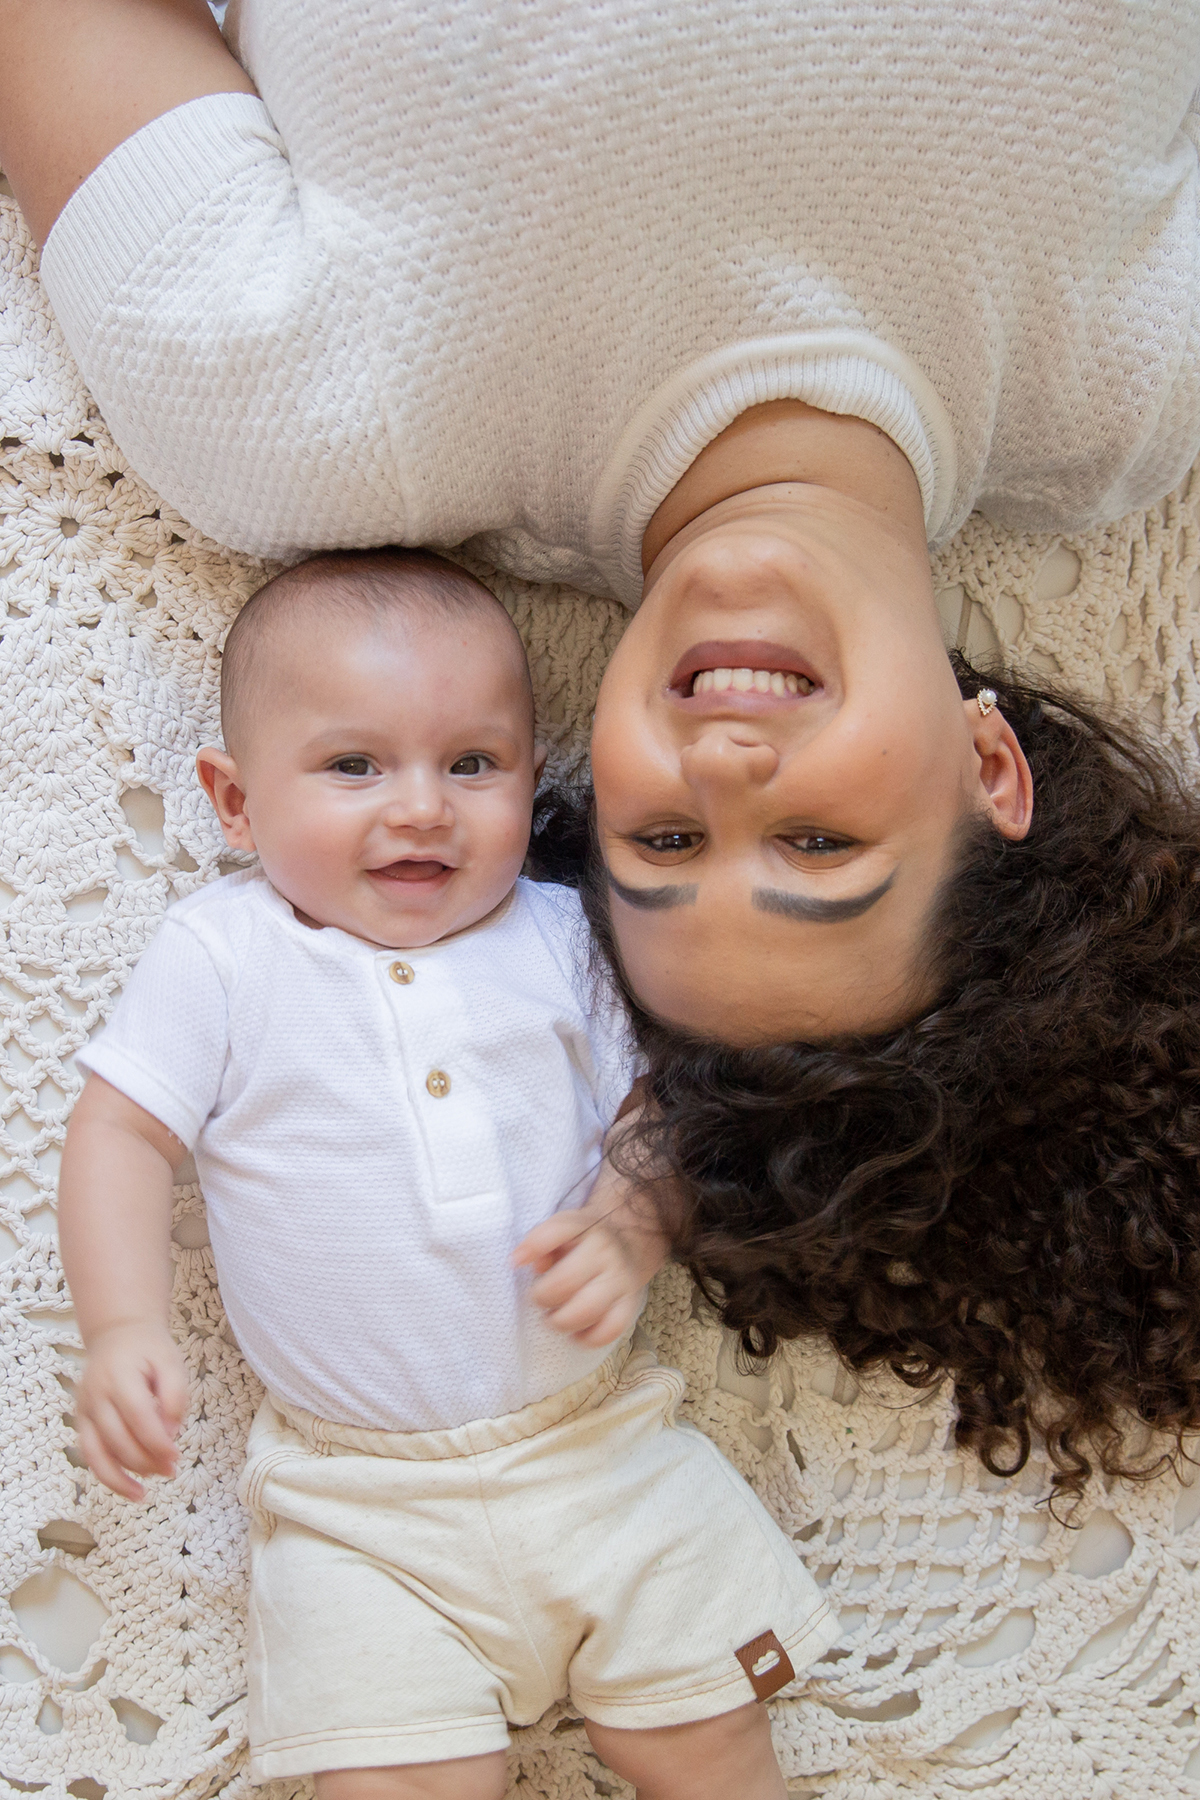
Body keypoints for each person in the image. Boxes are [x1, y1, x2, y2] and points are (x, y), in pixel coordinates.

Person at [9, 0, 1200, 1491]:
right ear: (990, 768)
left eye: (666, 843)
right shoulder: (1136, 390)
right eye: (823, 847)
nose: (722, 772)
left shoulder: (305, 427)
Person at [56, 548, 840, 1800]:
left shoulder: (564, 937)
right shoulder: (223, 955)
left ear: (532, 786)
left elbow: (665, 1111)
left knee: (711, 1748)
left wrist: (632, 1223)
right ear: (237, 802)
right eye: (355, 765)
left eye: (471, 764)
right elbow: (119, 1134)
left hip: (599, 1455)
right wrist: (120, 1325)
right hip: (356, 1508)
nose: (422, 806)